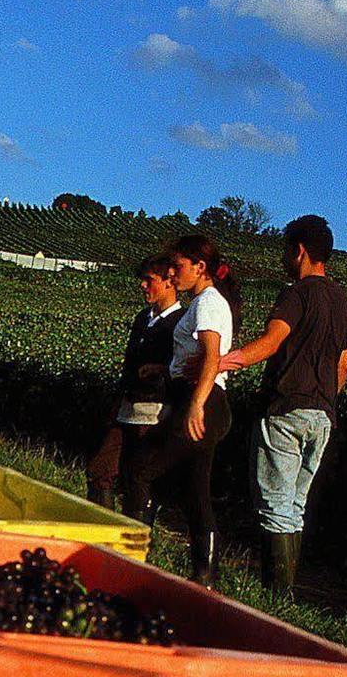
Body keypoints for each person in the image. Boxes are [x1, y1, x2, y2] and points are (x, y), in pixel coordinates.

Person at [219, 214, 347, 593]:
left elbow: (271, 342)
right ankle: (285, 596)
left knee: (275, 505)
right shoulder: (342, 301)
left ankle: (275, 596)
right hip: (323, 414)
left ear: (298, 252)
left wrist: (225, 360)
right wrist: (324, 400)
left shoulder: (296, 294)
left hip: (285, 410)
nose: (282, 259)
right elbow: (343, 365)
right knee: (295, 506)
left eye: (284, 251)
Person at [122, 234, 242, 587]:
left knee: (141, 470)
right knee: (195, 491)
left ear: (199, 268)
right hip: (201, 399)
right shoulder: (202, 303)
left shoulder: (207, 303)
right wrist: (165, 370)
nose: (172, 274)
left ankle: (131, 558)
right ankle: (204, 576)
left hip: (202, 402)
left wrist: (195, 406)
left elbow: (211, 356)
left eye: (178, 267)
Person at [87, 255, 181, 506]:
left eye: (149, 280)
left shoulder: (180, 322)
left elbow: (184, 366)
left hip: (154, 410)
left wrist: (161, 371)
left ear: (169, 282)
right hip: (127, 406)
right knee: (100, 470)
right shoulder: (143, 317)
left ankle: (137, 536)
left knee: (137, 477)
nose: (143, 285)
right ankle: (102, 533)